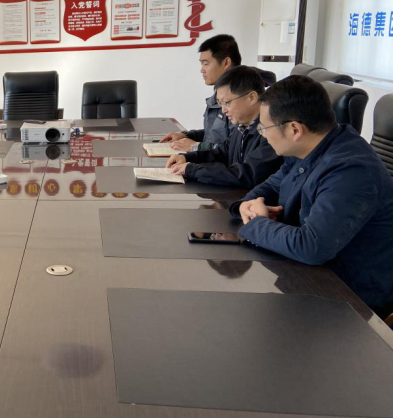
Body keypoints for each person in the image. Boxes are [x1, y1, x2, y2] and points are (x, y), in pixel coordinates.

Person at [231, 76, 393, 317]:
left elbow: (312, 247)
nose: (262, 135)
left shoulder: (351, 170)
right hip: (308, 274)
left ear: (295, 129)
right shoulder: (308, 148)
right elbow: (273, 184)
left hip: (349, 299)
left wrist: (256, 223)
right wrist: (248, 204)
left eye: (264, 128)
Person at [167, 66, 282, 188]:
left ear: (251, 97)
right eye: (220, 103)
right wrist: (187, 158)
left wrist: (192, 169)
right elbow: (223, 152)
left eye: (226, 102)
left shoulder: (271, 132)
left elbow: (246, 174)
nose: (223, 110)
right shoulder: (242, 126)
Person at [161, 34, 276, 152]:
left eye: (206, 63)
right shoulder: (221, 95)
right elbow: (214, 135)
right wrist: (187, 136)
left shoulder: (241, 102)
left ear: (226, 63)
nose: (202, 70)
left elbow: (229, 148)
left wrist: (195, 146)